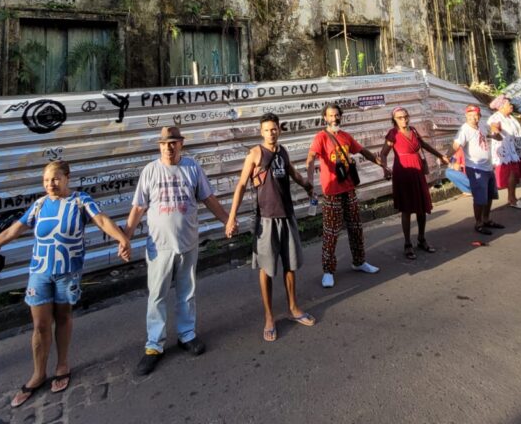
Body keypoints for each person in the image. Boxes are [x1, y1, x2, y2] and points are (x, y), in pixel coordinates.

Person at [0, 160, 131, 407]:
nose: (50, 184)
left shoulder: (80, 201)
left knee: (63, 318)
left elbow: (102, 220)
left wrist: (122, 239)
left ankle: (62, 364)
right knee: (40, 325)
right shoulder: (39, 205)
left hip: (68, 272)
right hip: (40, 272)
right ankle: (38, 373)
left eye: (55, 179)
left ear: (67, 178)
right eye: (45, 180)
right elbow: (12, 231)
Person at [124, 126, 231, 376]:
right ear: (159, 146)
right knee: (157, 296)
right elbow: (138, 208)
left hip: (187, 243)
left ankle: (187, 334)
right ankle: (154, 345)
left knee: (187, 291)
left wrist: (227, 220)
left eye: (173, 143)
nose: (168, 148)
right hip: (159, 247)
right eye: (164, 144)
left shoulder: (192, 168)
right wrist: (125, 237)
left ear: (181, 144)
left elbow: (208, 198)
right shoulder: (150, 171)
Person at [225, 114, 316, 342]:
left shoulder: (282, 151)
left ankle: (293, 308)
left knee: (290, 264)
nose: (271, 133)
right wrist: (231, 218)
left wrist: (307, 185)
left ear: (279, 131)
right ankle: (269, 317)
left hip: (287, 215)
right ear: (261, 132)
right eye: (267, 130)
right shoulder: (255, 153)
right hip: (265, 219)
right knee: (266, 269)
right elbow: (241, 185)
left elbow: (293, 173)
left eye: (274, 129)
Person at [305, 103, 389, 288]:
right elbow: (311, 158)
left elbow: (364, 152)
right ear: (325, 118)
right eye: (330, 116)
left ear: (340, 116)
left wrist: (382, 165)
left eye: (337, 115)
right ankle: (328, 271)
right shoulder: (321, 137)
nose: (334, 118)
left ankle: (359, 262)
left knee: (356, 228)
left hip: (349, 189)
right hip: (332, 192)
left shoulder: (345, 136)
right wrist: (310, 180)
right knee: (331, 233)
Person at [378, 107, 446, 257]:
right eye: (399, 117)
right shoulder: (393, 133)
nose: (403, 119)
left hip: (417, 170)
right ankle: (407, 244)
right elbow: (383, 153)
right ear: (394, 120)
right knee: (407, 209)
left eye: (405, 116)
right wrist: (385, 169)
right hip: (403, 172)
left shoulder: (414, 130)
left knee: (422, 207)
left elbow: (424, 146)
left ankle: (421, 239)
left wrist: (440, 156)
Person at [451, 105, 503, 236]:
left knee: (490, 195)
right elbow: (457, 144)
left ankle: (486, 219)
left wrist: (496, 135)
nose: (474, 118)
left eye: (476, 115)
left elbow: (493, 136)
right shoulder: (465, 130)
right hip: (476, 168)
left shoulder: (482, 126)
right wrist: (448, 156)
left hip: (487, 166)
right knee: (480, 198)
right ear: (466, 116)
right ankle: (478, 223)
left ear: (479, 116)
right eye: (471, 115)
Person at [486, 96, 521, 209]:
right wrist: (495, 131)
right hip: (506, 152)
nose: (511, 106)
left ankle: (513, 197)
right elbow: (494, 127)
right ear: (501, 107)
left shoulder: (510, 117)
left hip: (515, 149)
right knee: (512, 174)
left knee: (515, 174)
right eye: (508, 104)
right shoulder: (496, 118)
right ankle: (512, 200)